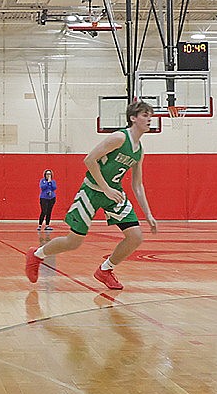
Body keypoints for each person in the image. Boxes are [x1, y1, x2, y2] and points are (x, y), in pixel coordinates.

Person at [25, 101, 158, 290]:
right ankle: (37, 254)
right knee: (73, 242)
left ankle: (105, 270)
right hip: (92, 190)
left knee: (135, 236)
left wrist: (148, 214)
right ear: (133, 118)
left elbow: (137, 184)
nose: (149, 118)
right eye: (145, 115)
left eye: (150, 115)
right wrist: (105, 188)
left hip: (113, 193)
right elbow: (89, 160)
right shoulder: (119, 138)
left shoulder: (139, 151)